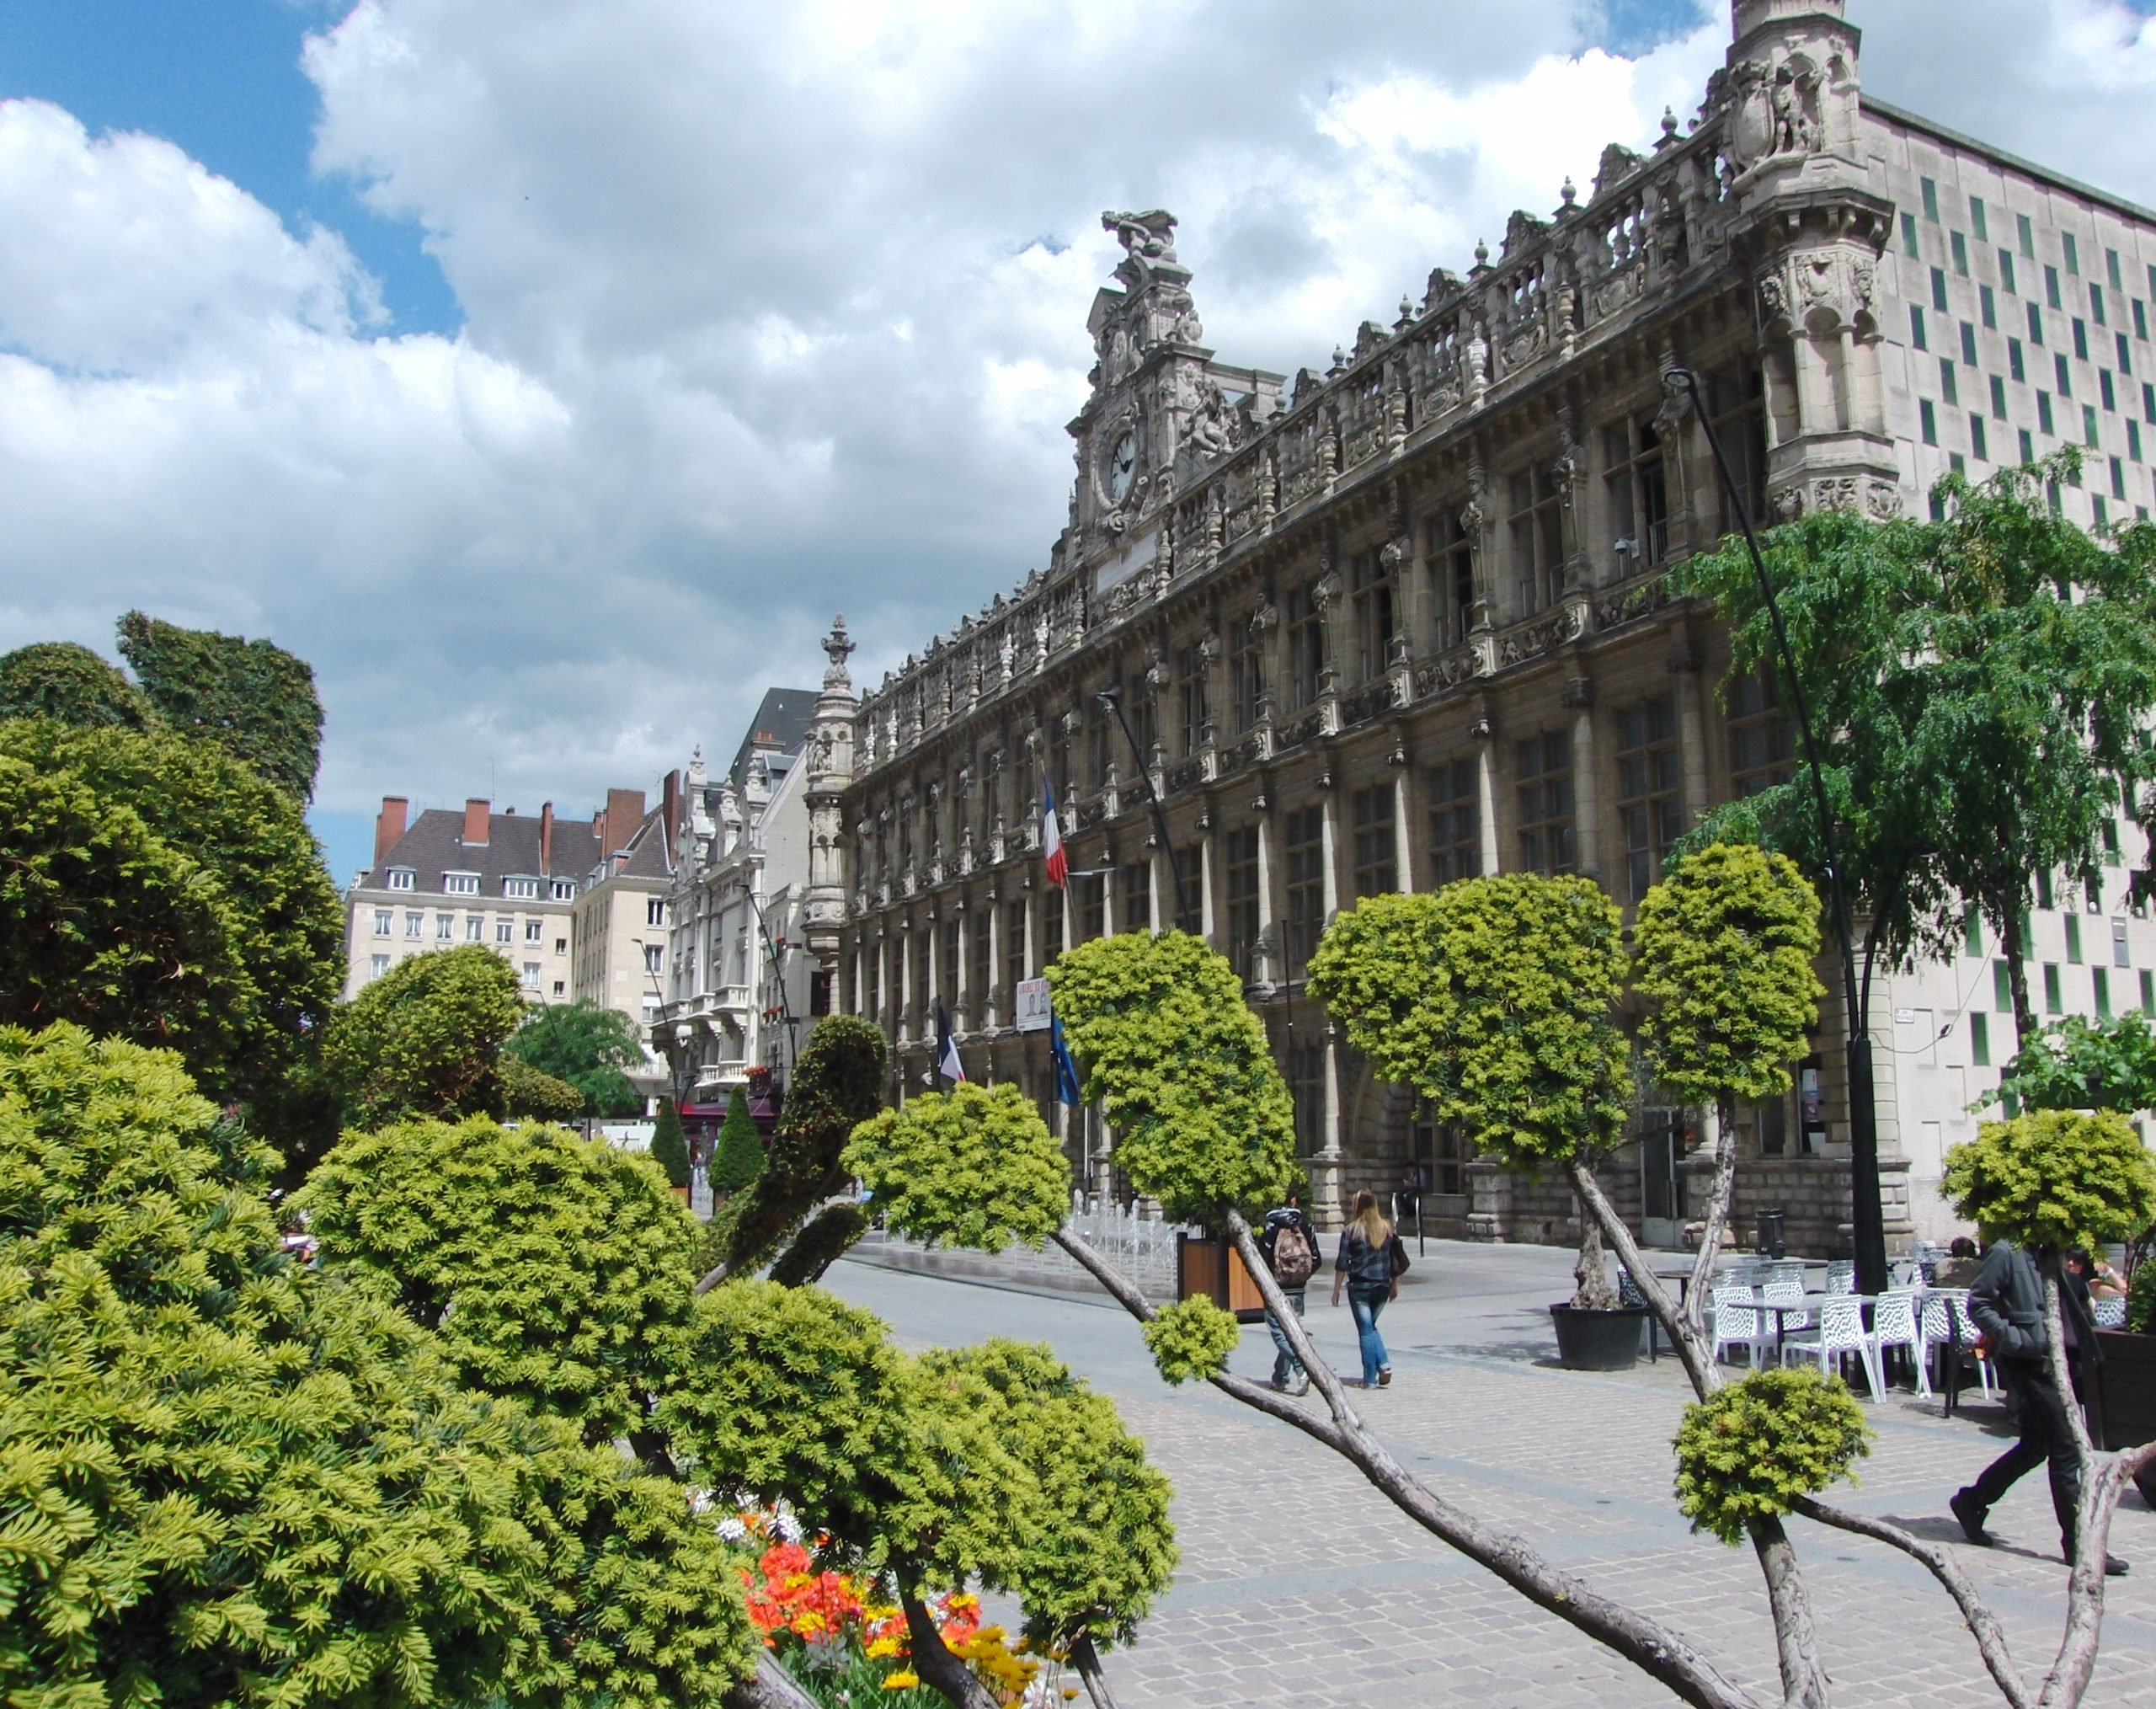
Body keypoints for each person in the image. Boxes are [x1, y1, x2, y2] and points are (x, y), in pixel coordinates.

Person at [1951, 1236, 2127, 1575]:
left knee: (2035, 1446)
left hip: (2058, 1359)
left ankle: (1972, 1501)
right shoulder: (2007, 1251)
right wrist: (2013, 1337)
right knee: (2066, 1448)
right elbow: (1979, 1303)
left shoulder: (2051, 1249)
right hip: (2029, 1362)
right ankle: (2079, 1543)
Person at [1257, 1188, 1322, 1395]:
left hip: (1276, 1288)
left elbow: (1261, 1259)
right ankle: (1280, 1378)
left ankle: (1301, 1369)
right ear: (1293, 1200)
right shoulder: (1304, 1224)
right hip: (1298, 1288)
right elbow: (1316, 1259)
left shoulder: (1270, 1226)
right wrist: (1301, 1277)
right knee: (1290, 1331)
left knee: (1280, 1333)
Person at [1331, 1189, 1398, 1388]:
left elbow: (1342, 1263)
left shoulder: (1352, 1231)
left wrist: (1336, 1290)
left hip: (1361, 1287)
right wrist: (1394, 1285)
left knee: (1366, 1331)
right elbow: (1394, 1260)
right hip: (1382, 1286)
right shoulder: (1386, 1228)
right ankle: (1384, 1365)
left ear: (1357, 1206)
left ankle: (1370, 1379)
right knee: (1370, 1327)